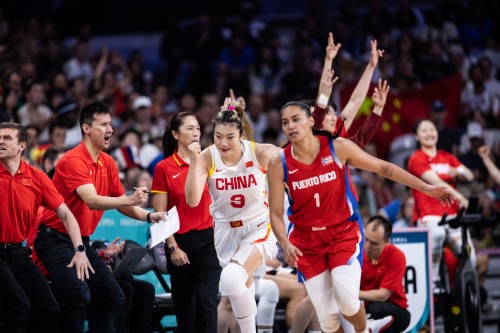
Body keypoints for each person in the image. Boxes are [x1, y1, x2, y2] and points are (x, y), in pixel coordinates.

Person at [268, 101, 455, 333]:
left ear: (310, 121)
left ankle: (364, 329)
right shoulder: (279, 163)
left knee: (347, 298)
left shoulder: (338, 147)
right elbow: (275, 214)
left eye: (296, 119)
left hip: (341, 234)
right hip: (306, 242)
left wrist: (426, 187)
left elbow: (383, 168)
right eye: (285, 122)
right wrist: (285, 243)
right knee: (327, 320)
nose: (291, 126)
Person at [34, 101, 168, 333]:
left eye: (111, 124)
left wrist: (150, 216)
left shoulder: (108, 162)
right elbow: (92, 200)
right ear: (86, 128)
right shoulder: (72, 160)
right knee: (77, 297)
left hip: (81, 242)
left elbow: (122, 204)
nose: (110, 129)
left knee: (113, 296)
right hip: (53, 240)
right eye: (103, 124)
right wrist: (129, 199)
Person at [185, 102, 280, 332]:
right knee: (240, 289)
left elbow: (297, 165)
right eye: (218, 136)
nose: (223, 143)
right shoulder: (207, 157)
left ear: (241, 136)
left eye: (230, 137)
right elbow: (192, 200)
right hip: (225, 232)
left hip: (258, 226)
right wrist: (194, 162)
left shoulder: (261, 152)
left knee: (230, 279)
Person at [0, 122, 92, 333]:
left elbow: (67, 215)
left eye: (6, 138)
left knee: (49, 308)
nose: (0, 142)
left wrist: (79, 250)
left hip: (18, 252)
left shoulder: (37, 177)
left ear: (22, 145)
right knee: (19, 305)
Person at [151, 111, 222, 333]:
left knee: (207, 300)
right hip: (180, 243)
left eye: (198, 128)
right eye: (189, 128)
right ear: (175, 134)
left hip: (209, 241)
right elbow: (160, 214)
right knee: (186, 310)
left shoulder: (209, 160)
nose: (195, 133)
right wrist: (172, 247)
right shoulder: (164, 168)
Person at [407, 119, 474, 291]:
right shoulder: (416, 158)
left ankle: (461, 289)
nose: (429, 133)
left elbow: (470, 175)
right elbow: (437, 183)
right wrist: (462, 199)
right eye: (424, 130)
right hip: (429, 215)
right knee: (436, 234)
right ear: (417, 136)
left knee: (470, 256)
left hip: (452, 214)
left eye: (432, 129)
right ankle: (434, 280)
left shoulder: (447, 157)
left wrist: (458, 171)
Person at [90, 238, 155, 333]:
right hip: (90, 282)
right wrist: (100, 269)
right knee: (124, 288)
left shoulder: (93, 244)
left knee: (146, 289)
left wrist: (104, 257)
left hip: (109, 278)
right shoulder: (73, 244)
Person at [360, 215, 411, 333]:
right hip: (364, 306)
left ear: (387, 242)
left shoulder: (396, 256)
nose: (368, 246)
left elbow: (383, 295)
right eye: (366, 239)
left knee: (375, 309)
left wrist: (351, 294)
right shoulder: (357, 251)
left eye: (374, 243)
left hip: (395, 309)